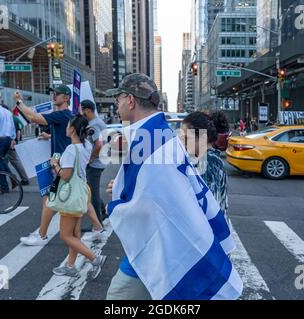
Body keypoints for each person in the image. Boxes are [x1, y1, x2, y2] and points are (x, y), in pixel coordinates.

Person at [104, 73, 242, 300]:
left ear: (130, 100)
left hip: (162, 246)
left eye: (118, 100)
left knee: (118, 297)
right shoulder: (159, 137)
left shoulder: (152, 142)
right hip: (164, 243)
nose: (116, 106)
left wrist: (116, 205)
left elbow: (148, 201)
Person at [16, 86, 103, 246]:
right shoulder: (68, 117)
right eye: (53, 93)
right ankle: (97, 229)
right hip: (72, 163)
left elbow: (33, 117)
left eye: (57, 94)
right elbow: (68, 136)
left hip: (65, 164)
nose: (53, 96)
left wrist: (19, 102)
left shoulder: (62, 115)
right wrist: (49, 136)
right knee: (83, 198)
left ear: (66, 98)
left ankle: (42, 235)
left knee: (50, 199)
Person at [50, 114, 106, 278]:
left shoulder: (70, 149)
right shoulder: (86, 145)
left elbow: (65, 175)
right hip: (82, 190)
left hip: (71, 193)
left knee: (65, 235)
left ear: (73, 129)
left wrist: (55, 165)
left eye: (68, 125)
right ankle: (70, 266)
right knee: (74, 234)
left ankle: (95, 259)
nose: (66, 128)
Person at [181, 111, 230, 217]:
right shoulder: (206, 159)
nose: (183, 142)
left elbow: (208, 210)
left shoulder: (209, 163)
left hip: (210, 231)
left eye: (187, 138)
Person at [81, 100, 108, 222]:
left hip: (95, 163)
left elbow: (98, 144)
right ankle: (102, 211)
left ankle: (98, 222)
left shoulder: (93, 125)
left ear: (87, 110)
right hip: (99, 161)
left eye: (81, 110)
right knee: (92, 190)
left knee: (92, 193)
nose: (81, 113)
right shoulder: (98, 122)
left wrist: (90, 159)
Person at [1, 104, 30, 186]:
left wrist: (13, 141)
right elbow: (19, 131)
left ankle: (24, 178)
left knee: (14, 161)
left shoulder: (8, 118)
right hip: (12, 142)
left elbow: (11, 131)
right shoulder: (14, 117)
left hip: (9, 142)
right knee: (4, 161)